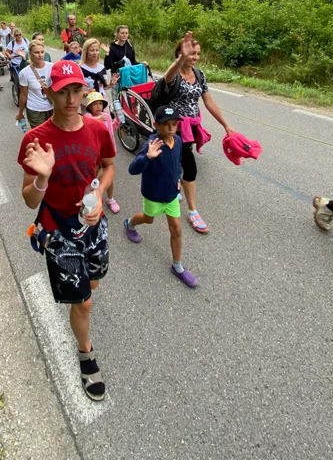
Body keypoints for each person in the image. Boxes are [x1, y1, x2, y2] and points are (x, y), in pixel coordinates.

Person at [17, 60, 115, 402]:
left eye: (77, 90)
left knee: (93, 282)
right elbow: (30, 199)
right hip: (58, 231)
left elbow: (108, 166)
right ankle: (86, 353)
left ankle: (82, 302)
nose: (71, 99)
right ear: (49, 93)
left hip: (93, 225)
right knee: (84, 304)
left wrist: (100, 194)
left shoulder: (98, 129)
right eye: (63, 92)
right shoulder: (35, 139)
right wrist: (42, 178)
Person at [159, 31, 235, 233]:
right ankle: (193, 210)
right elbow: (167, 77)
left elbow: (208, 101)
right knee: (189, 166)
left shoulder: (200, 75)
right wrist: (180, 60)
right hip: (173, 127)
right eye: (191, 53)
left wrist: (225, 124)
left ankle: (178, 184)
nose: (195, 57)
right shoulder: (174, 74)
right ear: (181, 53)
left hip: (191, 127)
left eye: (197, 54)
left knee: (180, 159)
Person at [124, 105, 198, 288]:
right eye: (166, 125)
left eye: (174, 124)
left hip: (172, 194)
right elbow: (133, 170)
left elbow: (177, 163)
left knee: (177, 229)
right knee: (148, 219)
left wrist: (178, 179)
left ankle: (177, 267)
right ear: (156, 125)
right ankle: (130, 224)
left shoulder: (178, 141)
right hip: (154, 195)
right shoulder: (152, 144)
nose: (171, 128)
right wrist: (147, 157)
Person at [84, 91, 120, 213]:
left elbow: (113, 128)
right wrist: (96, 121)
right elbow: (85, 129)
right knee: (93, 176)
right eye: (95, 104)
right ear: (89, 106)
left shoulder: (107, 116)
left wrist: (119, 120)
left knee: (108, 175)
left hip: (107, 152)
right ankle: (91, 198)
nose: (98, 106)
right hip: (93, 153)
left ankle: (110, 198)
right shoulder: (87, 118)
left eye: (100, 103)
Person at [16, 40, 54, 129]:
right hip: (35, 110)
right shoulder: (24, 73)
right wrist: (20, 112)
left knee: (53, 135)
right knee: (40, 136)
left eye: (42, 52)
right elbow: (23, 94)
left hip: (52, 107)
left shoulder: (52, 67)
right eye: (36, 52)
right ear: (30, 53)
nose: (40, 55)